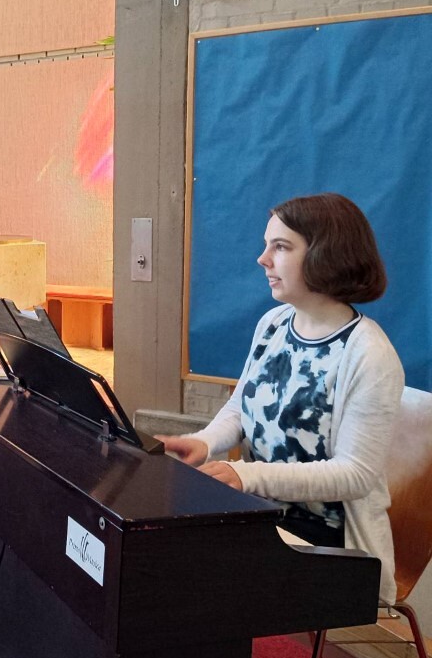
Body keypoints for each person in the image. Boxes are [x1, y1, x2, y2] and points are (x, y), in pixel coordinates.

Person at [157, 193, 404, 605]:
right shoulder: (273, 323)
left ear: (326, 255)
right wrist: (204, 442)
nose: (263, 259)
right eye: (266, 245)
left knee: (185, 580)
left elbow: (355, 474)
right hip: (261, 514)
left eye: (281, 247)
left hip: (327, 543)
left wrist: (246, 476)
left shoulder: (369, 355)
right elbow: (242, 406)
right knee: (159, 557)